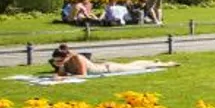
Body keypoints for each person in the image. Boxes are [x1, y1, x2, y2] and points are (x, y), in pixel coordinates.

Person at [50, 44, 178, 77]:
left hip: (109, 69)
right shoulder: (66, 63)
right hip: (105, 67)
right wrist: (61, 67)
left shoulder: (77, 58)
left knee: (136, 67)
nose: (56, 62)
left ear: (65, 57)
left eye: (59, 60)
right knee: (133, 65)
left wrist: (63, 77)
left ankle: (164, 64)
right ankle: (156, 62)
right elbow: (62, 74)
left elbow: (83, 75)